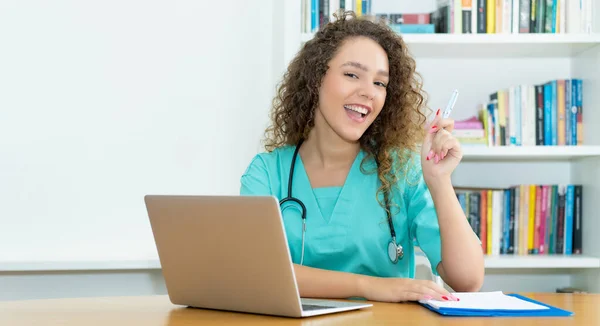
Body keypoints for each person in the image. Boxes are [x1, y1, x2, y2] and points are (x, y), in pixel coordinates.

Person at [239, 11, 484, 303]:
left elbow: (467, 280)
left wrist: (439, 180)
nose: (368, 92)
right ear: (316, 79)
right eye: (352, 74)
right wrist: (371, 286)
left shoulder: (402, 169)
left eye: (380, 83)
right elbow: (259, 273)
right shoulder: (267, 173)